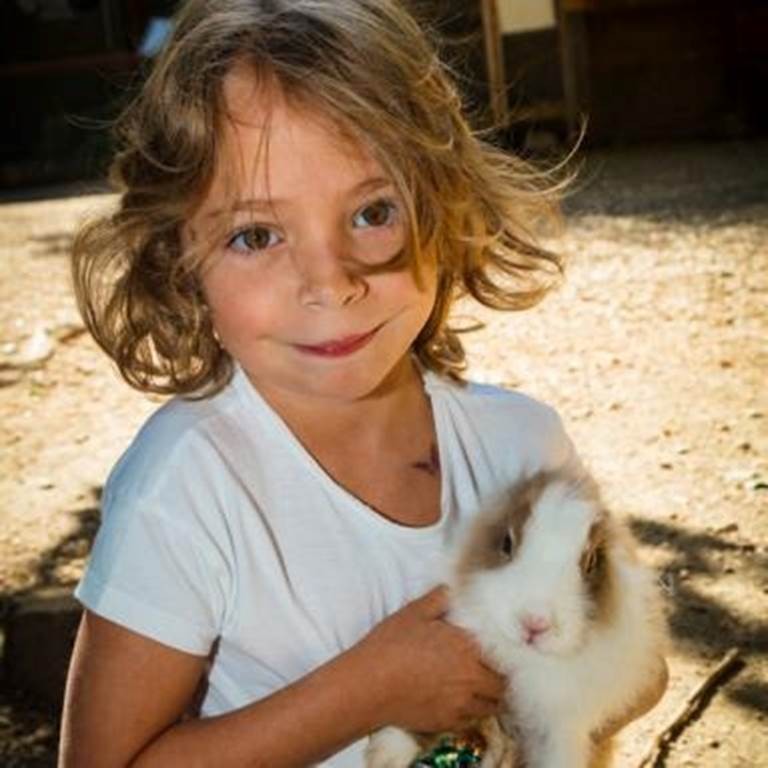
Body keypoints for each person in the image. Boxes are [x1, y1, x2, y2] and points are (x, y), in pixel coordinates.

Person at [59, 1, 666, 766]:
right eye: (256, 234)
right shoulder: (185, 490)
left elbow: (642, 668)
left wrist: (548, 683)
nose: (331, 281)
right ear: (178, 258)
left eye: (374, 211)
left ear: (442, 206)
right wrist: (367, 691)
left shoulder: (522, 445)